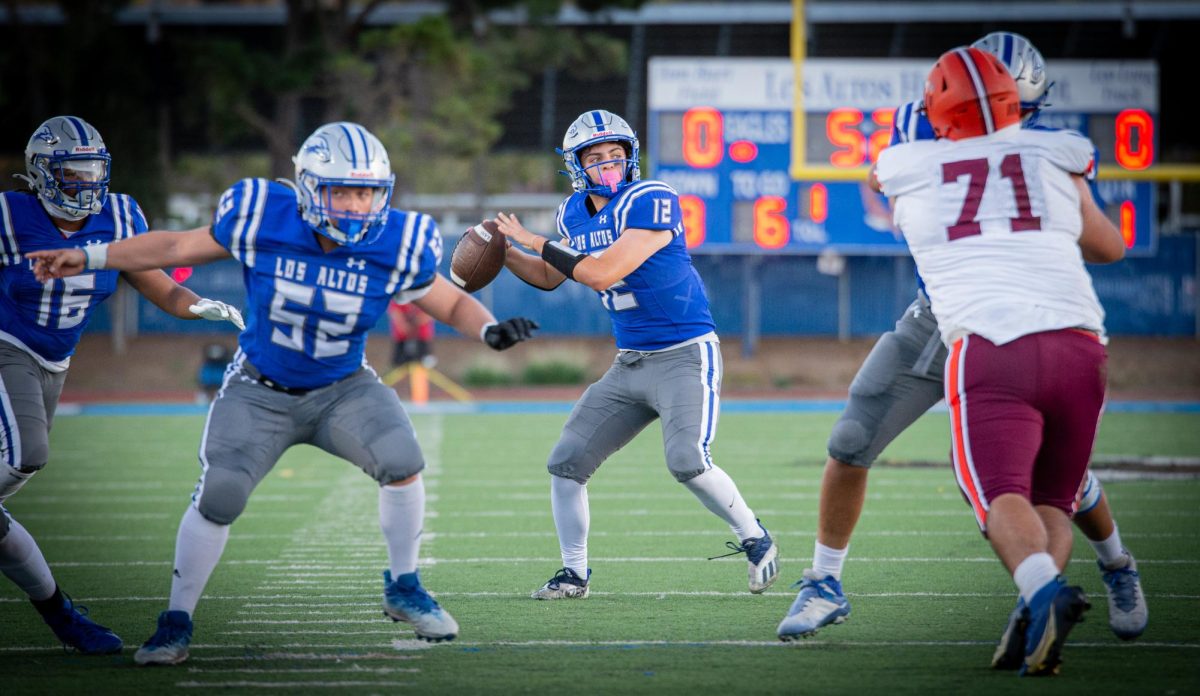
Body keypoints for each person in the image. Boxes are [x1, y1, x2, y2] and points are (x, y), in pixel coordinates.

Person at [30, 121, 538, 664]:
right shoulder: (263, 215)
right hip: (260, 388)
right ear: (308, 187)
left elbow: (447, 300)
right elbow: (177, 244)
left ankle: (404, 586)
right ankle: (174, 622)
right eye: (341, 190)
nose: (355, 205)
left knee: (402, 460)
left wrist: (488, 330)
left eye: (366, 192)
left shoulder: (395, 238)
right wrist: (91, 256)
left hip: (344, 387)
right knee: (220, 495)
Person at [776, 32, 1148, 655]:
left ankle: (1110, 566)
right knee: (851, 440)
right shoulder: (924, 133)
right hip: (944, 313)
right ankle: (825, 579)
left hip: (1029, 316)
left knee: (1055, 481)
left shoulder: (1040, 151)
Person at [874, 45, 1121, 676]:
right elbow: (1110, 247)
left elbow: (881, 179)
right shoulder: (1057, 152)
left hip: (991, 347)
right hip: (1080, 346)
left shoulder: (908, 163)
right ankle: (1036, 610)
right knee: (1052, 501)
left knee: (998, 496)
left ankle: (1043, 592)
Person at [492, 109, 778, 600]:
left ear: (632, 158)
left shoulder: (651, 198)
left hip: (684, 354)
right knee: (565, 463)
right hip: (630, 363)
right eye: (596, 157)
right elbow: (548, 274)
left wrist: (532, 241)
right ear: (575, 165)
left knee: (687, 459)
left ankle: (756, 539)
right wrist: (498, 251)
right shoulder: (571, 214)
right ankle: (574, 574)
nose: (609, 165)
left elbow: (602, 273)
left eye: (616, 155)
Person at [1, 115, 243, 655]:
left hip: (54, 363)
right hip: (6, 345)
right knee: (26, 455)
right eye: (74, 172)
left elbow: (157, 283)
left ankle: (62, 617)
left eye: (94, 171)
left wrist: (199, 305)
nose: (88, 184)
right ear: (41, 173)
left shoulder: (119, 215)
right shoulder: (8, 216)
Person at [388, 300, 435, 368]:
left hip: (422, 338)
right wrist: (404, 326)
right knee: (399, 366)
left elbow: (430, 313)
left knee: (423, 365)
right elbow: (395, 312)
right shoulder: (399, 297)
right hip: (402, 339)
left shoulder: (426, 296)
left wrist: (416, 323)